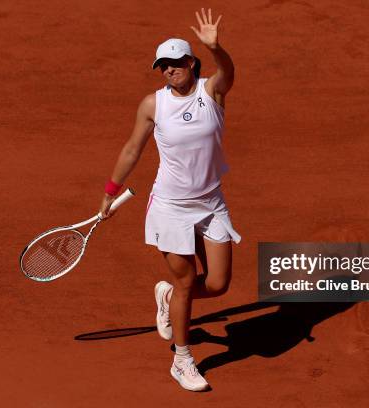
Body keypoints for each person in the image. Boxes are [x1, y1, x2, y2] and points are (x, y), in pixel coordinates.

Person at [99, 8, 240, 392]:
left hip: (211, 203)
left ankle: (166, 298)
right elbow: (132, 150)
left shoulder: (212, 91)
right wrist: (110, 193)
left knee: (218, 283)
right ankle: (183, 358)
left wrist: (217, 47)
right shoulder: (153, 105)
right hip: (171, 207)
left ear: (191, 63)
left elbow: (228, 72)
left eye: (175, 63)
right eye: (163, 65)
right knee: (184, 284)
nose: (168, 70)